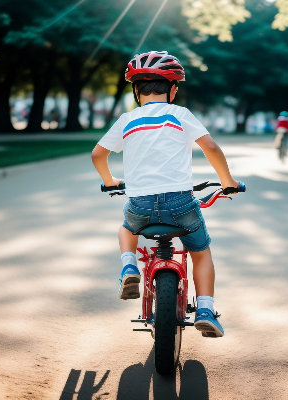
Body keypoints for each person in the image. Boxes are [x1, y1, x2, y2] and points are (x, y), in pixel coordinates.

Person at [91, 50, 241, 337]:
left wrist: (110, 180)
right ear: (172, 89)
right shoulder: (180, 114)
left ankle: (128, 267)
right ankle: (206, 309)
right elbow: (210, 147)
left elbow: (98, 154)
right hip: (180, 203)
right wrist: (227, 180)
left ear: (136, 91)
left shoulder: (127, 119)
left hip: (140, 204)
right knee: (200, 250)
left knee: (126, 230)